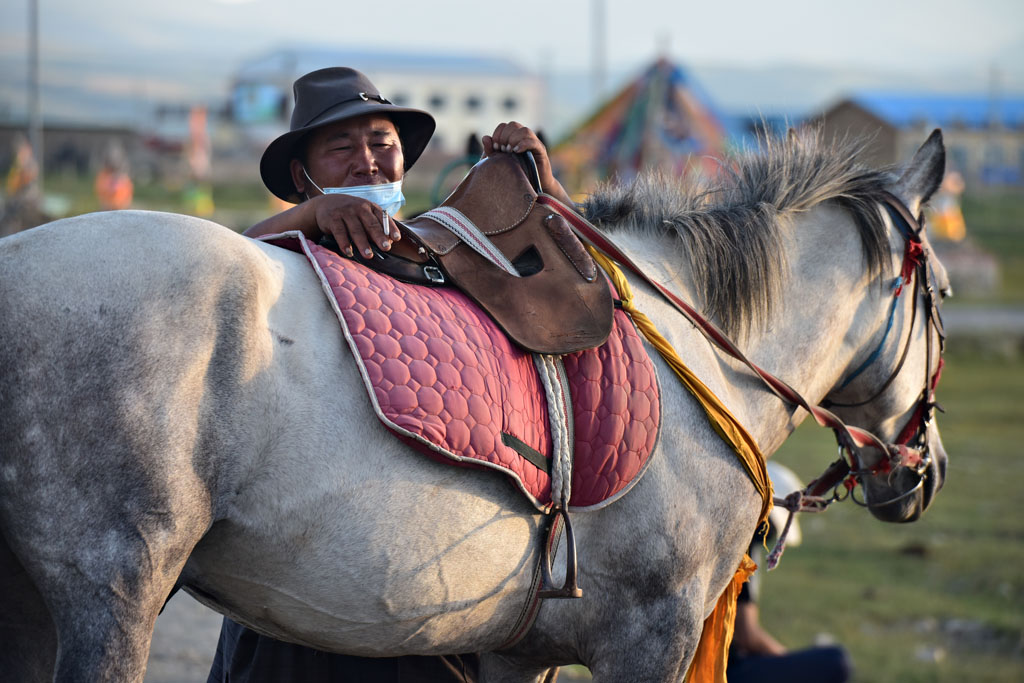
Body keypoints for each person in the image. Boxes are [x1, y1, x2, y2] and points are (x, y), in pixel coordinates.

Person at [208, 66, 571, 683]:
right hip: (297, 566)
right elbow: (233, 258)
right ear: (303, 175)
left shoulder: (443, 249)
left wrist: (548, 187)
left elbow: (563, 299)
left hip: (434, 565)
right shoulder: (282, 255)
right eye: (341, 148)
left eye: (382, 144)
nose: (367, 162)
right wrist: (313, 217)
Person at [727, 463, 852, 683]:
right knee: (836, 662)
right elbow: (746, 635)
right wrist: (787, 661)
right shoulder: (744, 545)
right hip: (722, 673)